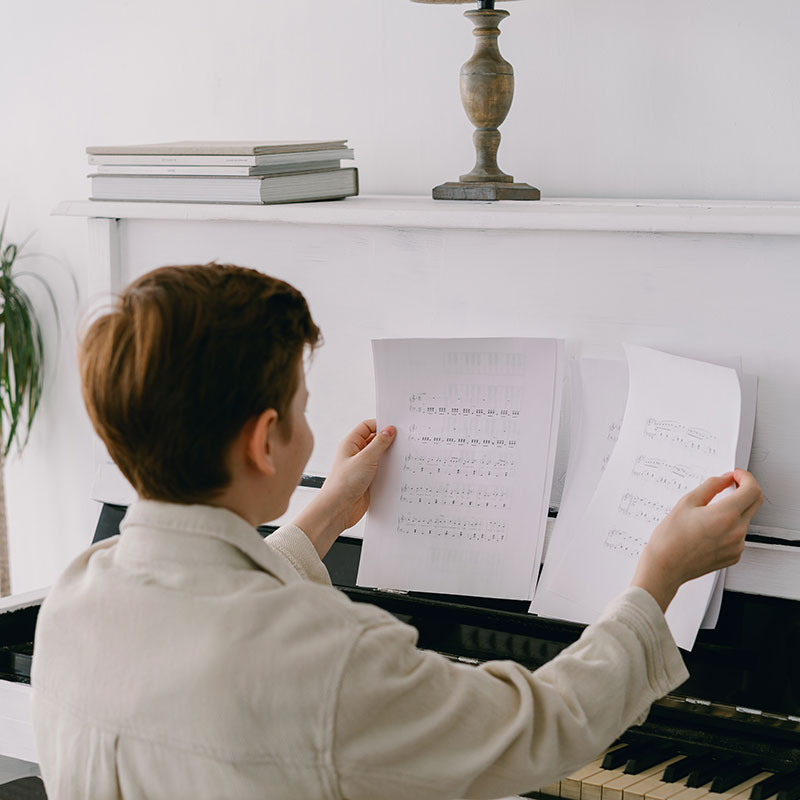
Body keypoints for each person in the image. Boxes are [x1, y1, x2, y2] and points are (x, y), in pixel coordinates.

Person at [31, 262, 763, 800]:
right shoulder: (324, 654)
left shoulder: (74, 599)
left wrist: (324, 515)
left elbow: (216, 604)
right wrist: (658, 574)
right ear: (264, 441)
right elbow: (545, 726)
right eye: (303, 404)